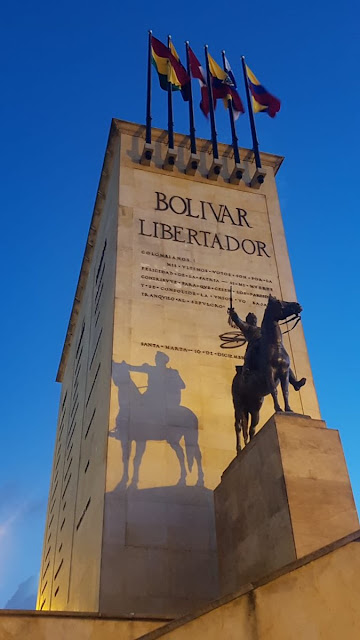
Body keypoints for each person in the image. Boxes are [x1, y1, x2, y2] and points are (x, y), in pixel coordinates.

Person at [228, 307, 306, 391]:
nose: (254, 320)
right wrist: (233, 314)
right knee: (251, 353)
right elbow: (238, 321)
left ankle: (295, 383)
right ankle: (246, 369)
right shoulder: (247, 327)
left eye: (255, 318)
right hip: (255, 348)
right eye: (252, 318)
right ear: (248, 320)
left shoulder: (261, 329)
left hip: (265, 348)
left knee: (282, 363)